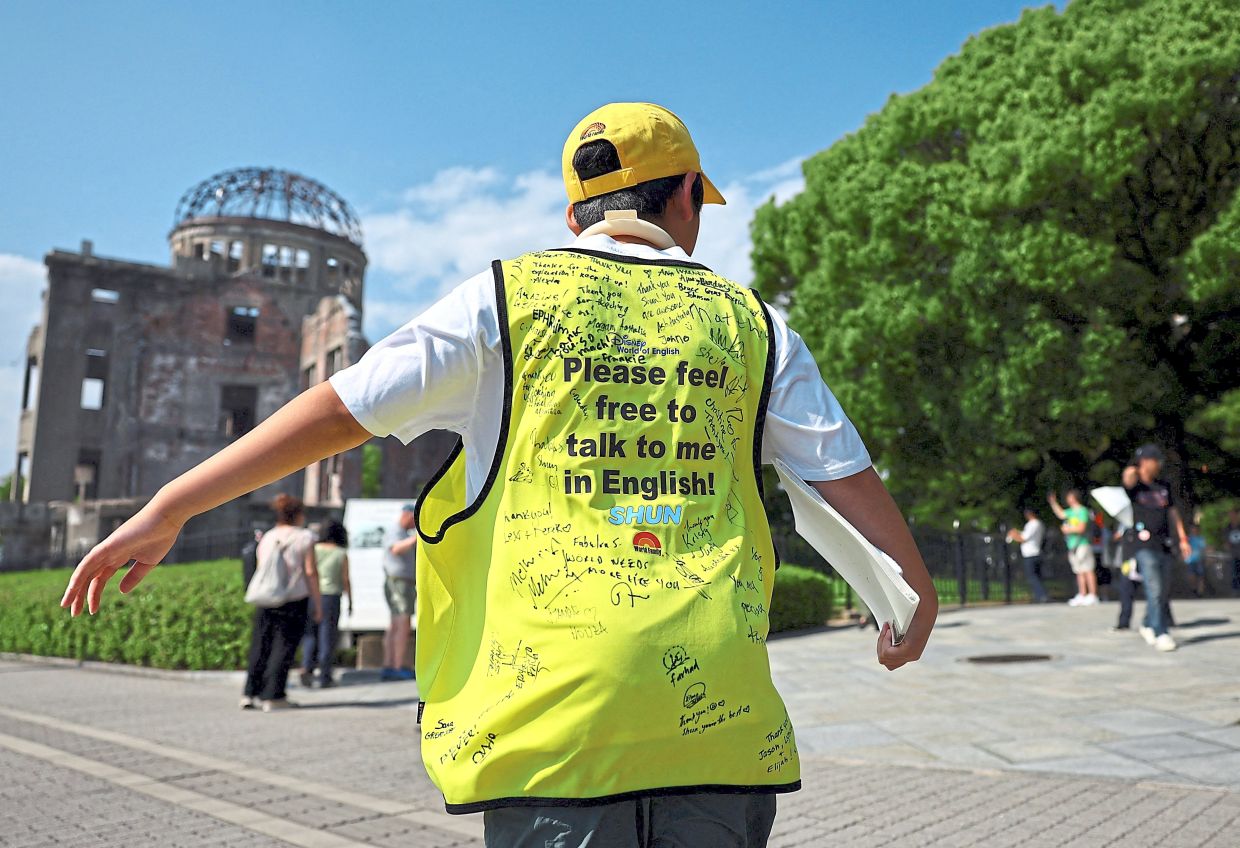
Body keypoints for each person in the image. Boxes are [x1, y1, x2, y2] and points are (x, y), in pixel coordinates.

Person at [59, 102, 938, 847]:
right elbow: (842, 474)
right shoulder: (755, 323)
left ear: (575, 217)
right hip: (715, 717)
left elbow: (335, 410)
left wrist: (170, 506)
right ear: (684, 200)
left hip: (548, 722)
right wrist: (914, 594)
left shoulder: (503, 298)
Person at [242, 494, 321, 711]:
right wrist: (318, 602)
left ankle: (250, 693)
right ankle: (273, 696)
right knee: (283, 647)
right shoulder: (305, 537)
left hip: (266, 596)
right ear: (298, 514)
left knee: (260, 644)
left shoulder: (268, 536)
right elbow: (310, 571)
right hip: (294, 599)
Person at [1122, 444, 1190, 652]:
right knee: (1155, 588)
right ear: (1145, 462)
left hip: (1164, 544)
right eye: (1154, 460)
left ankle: (1147, 623)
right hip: (1143, 546)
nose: (1158, 464)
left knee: (1163, 590)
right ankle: (1161, 632)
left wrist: (1183, 537)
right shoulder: (1136, 487)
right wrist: (1133, 469)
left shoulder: (1163, 486)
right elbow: (1127, 481)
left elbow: (1173, 512)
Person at [300, 520, 352, 688]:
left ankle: (307, 668)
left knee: (310, 634)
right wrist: (351, 600)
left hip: (312, 595)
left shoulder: (314, 550)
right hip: (331, 596)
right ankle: (325, 675)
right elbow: (345, 579)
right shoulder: (340, 553)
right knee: (327, 636)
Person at [381, 505, 417, 682]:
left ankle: (391, 664)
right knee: (403, 623)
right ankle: (397, 665)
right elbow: (395, 549)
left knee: (395, 624)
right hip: (399, 583)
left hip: (400, 582)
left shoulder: (401, 531)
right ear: (406, 515)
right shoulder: (396, 531)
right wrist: (416, 539)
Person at [1049, 489, 1098, 606]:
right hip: (1072, 544)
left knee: (1087, 569)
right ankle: (1082, 594)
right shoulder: (1070, 512)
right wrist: (1053, 503)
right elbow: (1060, 514)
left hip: (1082, 543)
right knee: (1079, 570)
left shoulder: (1082, 511)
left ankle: (1092, 594)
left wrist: (1068, 529)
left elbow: (1081, 528)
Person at [1008, 508, 1048, 603]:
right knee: (1037, 576)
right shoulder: (1038, 524)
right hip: (1035, 552)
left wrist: (1013, 535)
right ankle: (1040, 595)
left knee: (1032, 576)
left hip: (1031, 553)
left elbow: (1023, 538)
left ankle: (1041, 595)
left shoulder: (1033, 524)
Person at [1184, 524, 1207, 597]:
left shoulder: (1201, 539)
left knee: (1200, 576)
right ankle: (1193, 589)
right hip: (1190, 560)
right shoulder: (1188, 539)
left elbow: (1204, 548)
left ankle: (1200, 592)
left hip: (1199, 560)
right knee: (1191, 576)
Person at [1227, 508, 1240, 593]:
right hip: (1233, 554)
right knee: (1234, 573)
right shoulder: (1228, 528)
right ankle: (1235, 591)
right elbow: (1226, 541)